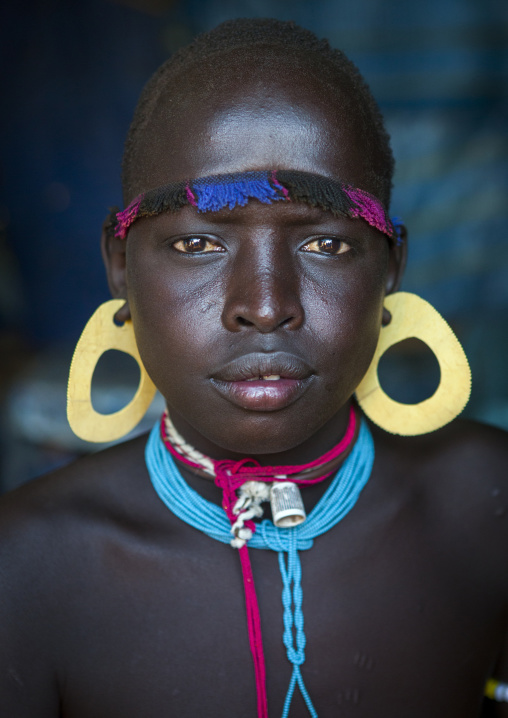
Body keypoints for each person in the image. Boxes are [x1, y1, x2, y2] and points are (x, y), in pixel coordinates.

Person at [1, 18, 507, 718]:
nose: (264, 307)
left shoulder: (485, 507)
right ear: (120, 266)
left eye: (326, 243)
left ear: (390, 267)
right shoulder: (26, 570)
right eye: (199, 242)